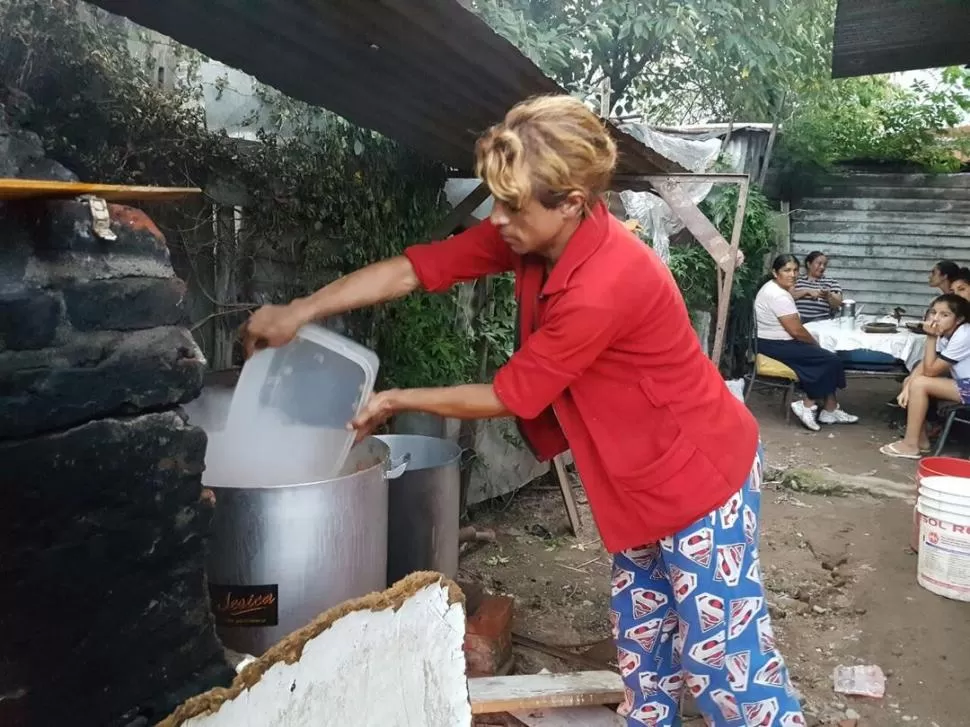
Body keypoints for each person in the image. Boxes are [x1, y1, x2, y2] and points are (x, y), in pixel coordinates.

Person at [242, 95, 804, 727]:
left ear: (570, 202)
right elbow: (414, 269)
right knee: (644, 643)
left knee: (725, 662)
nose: (498, 219)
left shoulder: (606, 282)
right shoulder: (535, 235)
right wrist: (299, 311)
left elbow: (512, 395)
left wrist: (398, 399)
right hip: (636, 475)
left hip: (698, 476)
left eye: (512, 205)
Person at [754, 254, 859, 432]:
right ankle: (808, 403)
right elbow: (796, 331)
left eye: (795, 270)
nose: (792, 274)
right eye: (786, 270)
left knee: (826, 358)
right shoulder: (778, 295)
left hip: (770, 341)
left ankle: (830, 409)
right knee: (831, 360)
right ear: (775, 272)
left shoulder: (773, 288)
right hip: (774, 344)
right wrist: (814, 345)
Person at [882, 294, 970, 459]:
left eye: (945, 315)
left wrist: (930, 337)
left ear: (959, 319)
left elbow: (930, 371)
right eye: (934, 312)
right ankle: (920, 441)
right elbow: (925, 364)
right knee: (913, 380)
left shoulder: (964, 334)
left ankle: (909, 445)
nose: (936, 319)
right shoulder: (946, 333)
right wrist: (907, 386)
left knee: (921, 384)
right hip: (964, 384)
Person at [792, 250, 842, 322]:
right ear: (809, 264)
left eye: (824, 264)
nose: (822, 267)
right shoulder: (797, 280)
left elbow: (838, 303)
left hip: (821, 320)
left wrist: (828, 295)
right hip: (798, 319)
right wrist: (807, 291)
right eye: (819, 263)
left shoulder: (831, 282)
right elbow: (789, 296)